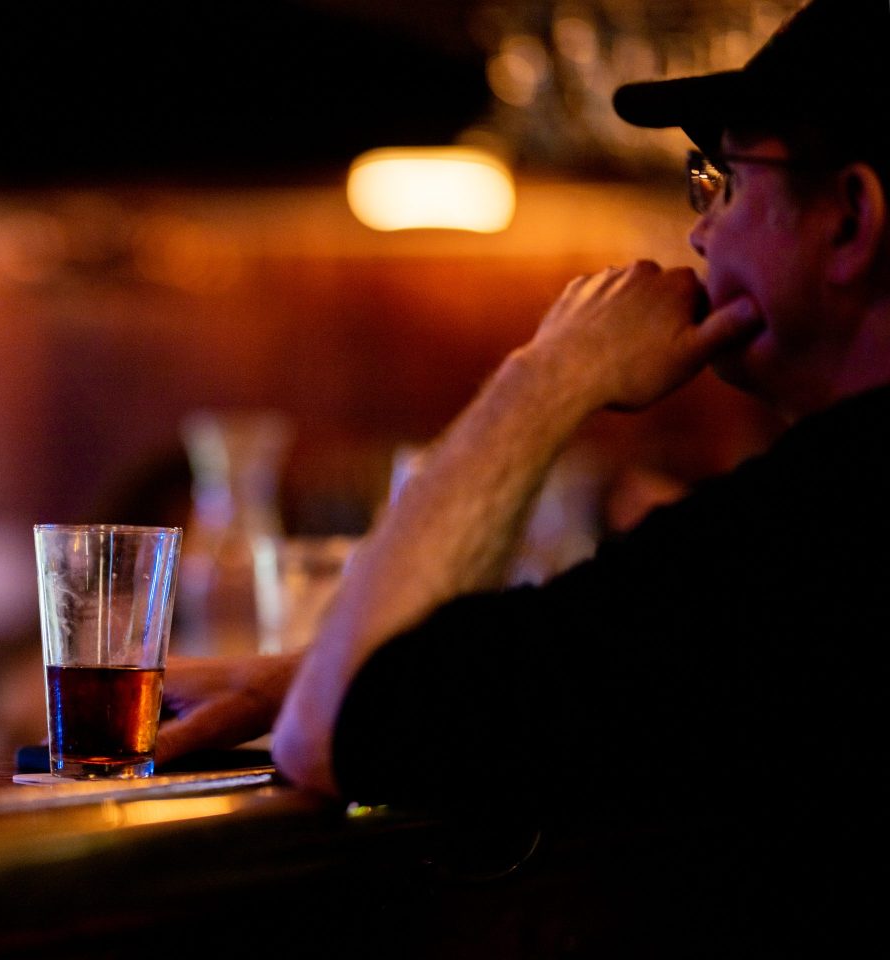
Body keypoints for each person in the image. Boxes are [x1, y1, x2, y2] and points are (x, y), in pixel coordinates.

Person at [156, 0, 890, 953]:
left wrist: (548, 378)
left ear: (851, 221)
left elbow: (328, 736)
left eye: (726, 183)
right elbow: (619, 680)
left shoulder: (817, 538)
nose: (701, 236)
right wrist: (358, 671)